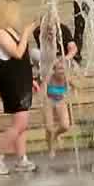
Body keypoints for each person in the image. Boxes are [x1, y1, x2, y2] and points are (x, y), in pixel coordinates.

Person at [0, 0, 38, 175]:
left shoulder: (11, 30)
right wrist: (27, 33)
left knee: (22, 123)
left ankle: (22, 159)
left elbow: (23, 59)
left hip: (21, 80)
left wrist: (30, 79)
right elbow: (17, 53)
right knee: (19, 124)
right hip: (12, 83)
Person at [32, 22, 77, 157]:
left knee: (65, 126)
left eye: (63, 69)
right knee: (49, 127)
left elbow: (75, 86)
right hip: (49, 101)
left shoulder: (65, 77)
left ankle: (56, 135)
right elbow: (44, 87)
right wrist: (40, 98)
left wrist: (75, 94)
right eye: (59, 69)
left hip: (60, 101)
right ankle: (51, 148)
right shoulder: (50, 76)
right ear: (54, 70)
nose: (62, 71)